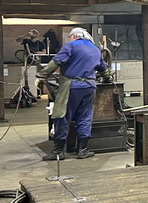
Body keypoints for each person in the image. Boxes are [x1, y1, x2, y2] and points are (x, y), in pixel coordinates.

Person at [37, 28, 112, 160]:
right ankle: (82, 150)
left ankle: (58, 151)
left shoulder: (70, 46)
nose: (70, 39)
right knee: (85, 116)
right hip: (89, 87)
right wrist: (107, 79)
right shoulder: (95, 49)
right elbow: (104, 69)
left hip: (71, 87)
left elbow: (56, 61)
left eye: (71, 37)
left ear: (76, 36)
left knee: (63, 115)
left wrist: (41, 75)